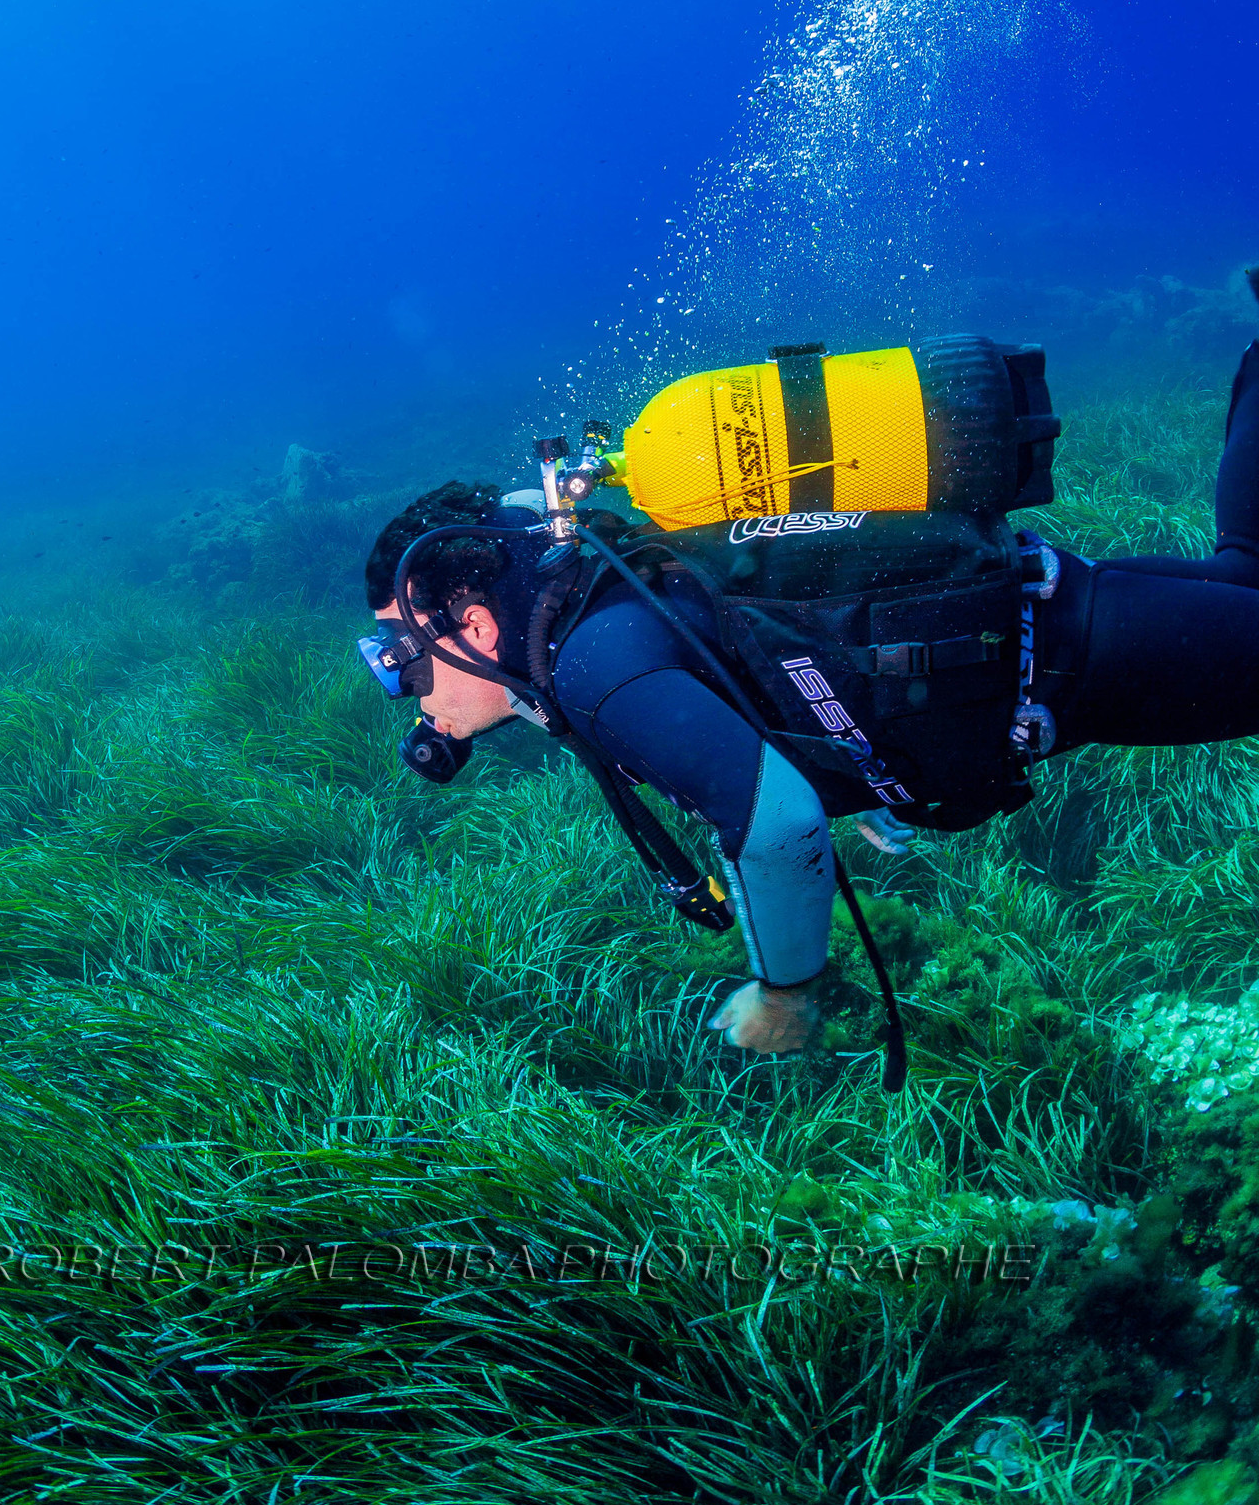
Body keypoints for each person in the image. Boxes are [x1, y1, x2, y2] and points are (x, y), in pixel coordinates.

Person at [361, 297, 1259, 1060]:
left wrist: (786, 991)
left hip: (1063, 661)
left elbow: (776, 818)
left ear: (474, 625)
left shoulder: (593, 670)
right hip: (1045, 614)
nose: (408, 694)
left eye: (398, 659)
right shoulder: (597, 586)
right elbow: (772, 647)